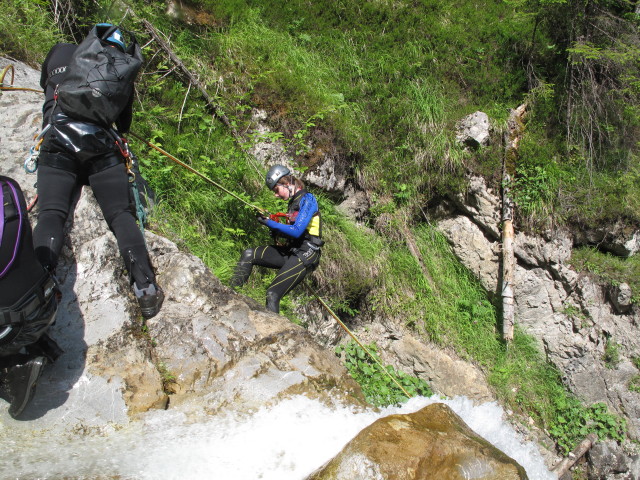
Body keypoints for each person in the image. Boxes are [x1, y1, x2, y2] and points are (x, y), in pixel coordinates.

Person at [33, 24, 164, 319]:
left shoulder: (63, 54)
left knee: (52, 213)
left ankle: (39, 285)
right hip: (101, 150)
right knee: (120, 215)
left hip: (59, 142)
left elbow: (47, 87)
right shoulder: (122, 71)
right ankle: (145, 288)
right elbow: (124, 125)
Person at [1, 175, 61, 418]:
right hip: (44, 304)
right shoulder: (7, 187)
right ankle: (39, 343)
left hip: (10, 325)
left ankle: (13, 370)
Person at [230, 164, 324, 313]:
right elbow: (291, 234)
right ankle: (229, 298)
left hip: (307, 253)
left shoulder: (308, 199)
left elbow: (296, 231)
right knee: (249, 254)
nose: (276, 195)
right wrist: (273, 228)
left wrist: (269, 223)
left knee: (273, 294)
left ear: (286, 184)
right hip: (292, 251)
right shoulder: (293, 204)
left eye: (276, 190)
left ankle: (276, 333)